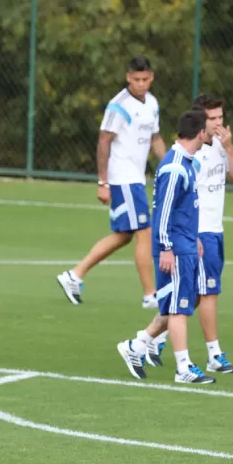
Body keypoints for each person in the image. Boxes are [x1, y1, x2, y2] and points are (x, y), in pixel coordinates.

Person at [57, 55, 166, 308]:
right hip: (123, 177)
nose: (141, 84)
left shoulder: (152, 103)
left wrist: (171, 164)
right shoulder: (119, 105)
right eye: (136, 79)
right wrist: (103, 182)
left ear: (152, 78)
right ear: (128, 77)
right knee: (144, 231)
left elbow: (156, 138)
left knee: (124, 235)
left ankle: (74, 275)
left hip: (136, 178)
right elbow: (104, 141)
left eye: (146, 79)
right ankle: (150, 295)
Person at [116, 110, 214, 384]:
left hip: (185, 244)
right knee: (179, 309)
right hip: (175, 249)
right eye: (208, 129)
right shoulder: (175, 167)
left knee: (178, 304)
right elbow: (163, 213)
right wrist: (168, 248)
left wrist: (192, 237)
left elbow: (181, 210)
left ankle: (136, 346)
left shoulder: (186, 162)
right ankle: (183, 368)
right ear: (200, 133)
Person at [148, 94, 233, 373]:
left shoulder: (220, 146)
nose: (217, 124)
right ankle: (213, 354)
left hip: (214, 229)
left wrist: (230, 148)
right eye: (212, 119)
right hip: (197, 233)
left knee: (192, 295)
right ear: (201, 122)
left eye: (221, 118)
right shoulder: (192, 152)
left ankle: (149, 339)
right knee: (205, 293)